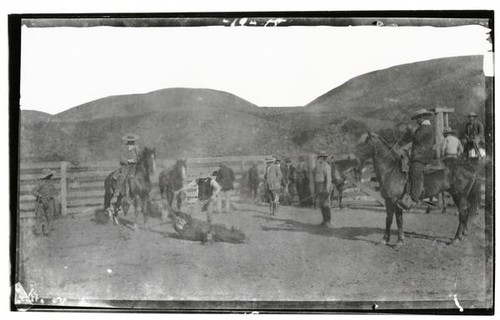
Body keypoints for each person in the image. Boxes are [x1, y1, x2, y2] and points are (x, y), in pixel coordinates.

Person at [396, 109, 436, 210]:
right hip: (420, 154)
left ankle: (414, 199)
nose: (416, 121)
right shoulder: (425, 127)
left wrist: (410, 129)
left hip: (420, 156)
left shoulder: (425, 127)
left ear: (422, 117)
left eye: (417, 119)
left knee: (415, 174)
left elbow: (417, 138)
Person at [196, 171, 223, 244]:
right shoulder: (199, 181)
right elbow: (191, 185)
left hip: (209, 199)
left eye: (204, 178)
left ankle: (209, 232)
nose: (203, 180)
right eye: (202, 178)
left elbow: (219, 187)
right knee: (195, 213)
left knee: (209, 215)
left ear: (207, 177)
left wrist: (214, 195)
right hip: (201, 200)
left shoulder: (212, 181)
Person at [32, 169, 59, 236]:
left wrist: (53, 196)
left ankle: (47, 230)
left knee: (49, 216)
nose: (50, 176)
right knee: (40, 217)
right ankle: (39, 230)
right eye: (49, 175)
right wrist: (39, 195)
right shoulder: (40, 182)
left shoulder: (51, 182)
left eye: (50, 175)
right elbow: (33, 191)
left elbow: (54, 191)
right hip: (41, 202)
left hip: (49, 201)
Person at [116, 134, 141, 198]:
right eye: (130, 141)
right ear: (127, 141)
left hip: (135, 165)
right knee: (123, 177)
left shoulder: (137, 147)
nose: (131, 142)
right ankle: (118, 191)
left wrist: (137, 160)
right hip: (126, 166)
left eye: (133, 141)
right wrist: (128, 161)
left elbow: (139, 156)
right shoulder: (123, 147)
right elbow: (121, 157)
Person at [314, 151, 333, 227]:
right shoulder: (319, 166)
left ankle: (328, 221)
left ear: (323, 158)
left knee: (326, 204)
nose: (318, 159)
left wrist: (327, 189)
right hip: (319, 187)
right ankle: (324, 221)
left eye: (320, 158)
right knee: (321, 204)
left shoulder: (326, 166)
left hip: (324, 186)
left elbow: (328, 178)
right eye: (318, 158)